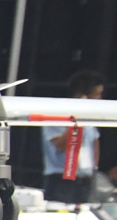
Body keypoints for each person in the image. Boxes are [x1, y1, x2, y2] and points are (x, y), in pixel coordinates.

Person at [43, 70, 103, 209]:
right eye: (97, 94)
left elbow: (95, 142)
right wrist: (78, 119)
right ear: (84, 95)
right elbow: (60, 145)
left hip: (85, 178)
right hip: (61, 179)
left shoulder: (91, 117)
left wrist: (94, 168)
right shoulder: (57, 114)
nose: (100, 99)